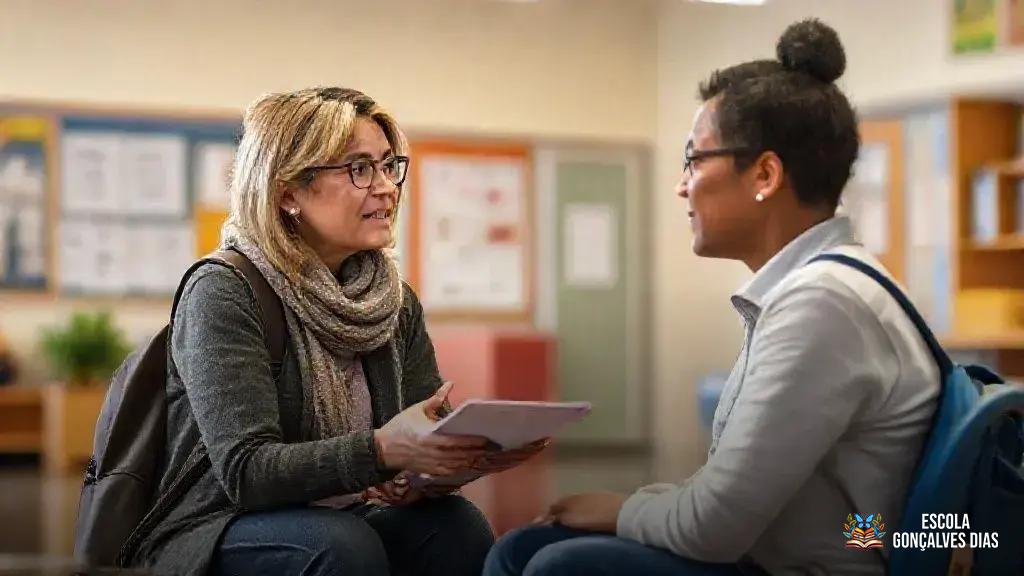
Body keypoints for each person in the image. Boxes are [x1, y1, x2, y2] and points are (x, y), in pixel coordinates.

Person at [485, 19, 940, 576]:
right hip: (795, 550)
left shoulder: (822, 304)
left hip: (822, 566)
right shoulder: (828, 286)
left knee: (555, 564)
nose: (682, 185)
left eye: (694, 159)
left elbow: (713, 529)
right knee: (525, 550)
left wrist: (622, 509)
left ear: (765, 174)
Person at [131, 87, 545, 576]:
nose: (388, 187)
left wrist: (453, 461)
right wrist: (382, 451)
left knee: (455, 526)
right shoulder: (223, 291)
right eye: (360, 168)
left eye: (389, 166)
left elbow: (411, 445)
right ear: (287, 193)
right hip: (220, 522)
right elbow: (247, 472)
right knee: (340, 544)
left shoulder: (392, 301)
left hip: (344, 511)